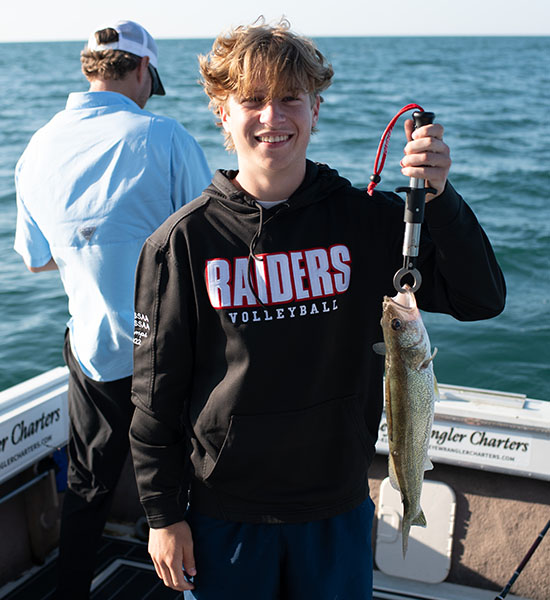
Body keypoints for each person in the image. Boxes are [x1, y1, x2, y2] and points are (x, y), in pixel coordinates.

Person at [129, 18, 506, 600]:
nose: (272, 116)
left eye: (290, 99)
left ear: (316, 109)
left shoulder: (369, 222)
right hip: (224, 514)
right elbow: (155, 397)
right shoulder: (182, 243)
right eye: (252, 99)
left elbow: (480, 298)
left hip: (337, 507)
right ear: (222, 112)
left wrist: (441, 200)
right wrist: (162, 515)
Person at [14, 19, 211, 599]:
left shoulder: (37, 148)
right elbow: (214, 244)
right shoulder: (165, 137)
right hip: (171, 350)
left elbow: (36, 260)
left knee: (88, 486)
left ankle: (71, 592)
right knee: (192, 482)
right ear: (143, 68)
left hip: (93, 349)